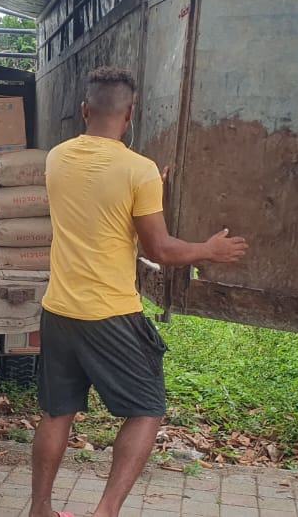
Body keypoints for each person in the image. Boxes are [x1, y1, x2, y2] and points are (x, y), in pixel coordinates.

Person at [30, 67, 249, 517]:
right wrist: (208, 250)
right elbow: (159, 250)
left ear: (84, 110)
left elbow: (96, 197)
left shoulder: (57, 158)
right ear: (130, 115)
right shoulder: (139, 171)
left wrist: (151, 190)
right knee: (147, 408)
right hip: (110, 313)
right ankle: (106, 512)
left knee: (56, 413)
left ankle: (41, 510)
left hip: (59, 310)